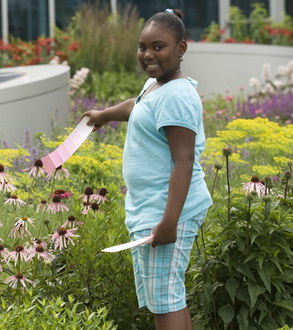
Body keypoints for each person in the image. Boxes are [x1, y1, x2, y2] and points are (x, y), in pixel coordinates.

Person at [81, 9, 212, 330]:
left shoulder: (177, 96)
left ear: (181, 49)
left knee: (165, 302)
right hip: (152, 210)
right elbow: (137, 105)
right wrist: (104, 114)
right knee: (165, 298)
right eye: (143, 47)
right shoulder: (157, 86)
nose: (148, 55)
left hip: (167, 214)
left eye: (158, 47)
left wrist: (168, 223)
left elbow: (184, 161)